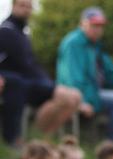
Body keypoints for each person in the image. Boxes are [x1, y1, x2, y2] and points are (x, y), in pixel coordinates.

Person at [56, 7, 113, 159]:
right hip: (81, 95)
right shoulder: (74, 43)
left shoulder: (95, 46)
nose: (98, 30)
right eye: (94, 25)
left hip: (95, 93)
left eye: (100, 26)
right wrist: (81, 101)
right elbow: (71, 77)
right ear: (83, 24)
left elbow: (112, 72)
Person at [0, 0, 81, 146]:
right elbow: (25, 66)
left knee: (74, 97)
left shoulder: (22, 32)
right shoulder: (6, 31)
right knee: (69, 97)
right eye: (22, 6)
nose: (26, 10)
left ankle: (42, 140)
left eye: (29, 7)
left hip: (30, 83)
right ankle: (36, 139)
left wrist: (50, 84)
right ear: (13, 6)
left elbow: (31, 65)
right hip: (19, 84)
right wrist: (51, 85)